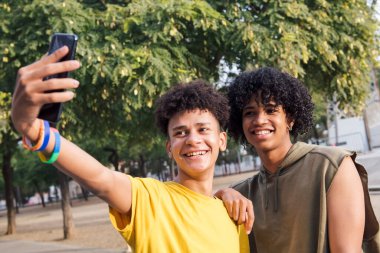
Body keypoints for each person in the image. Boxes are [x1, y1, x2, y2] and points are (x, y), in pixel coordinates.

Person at [11, 46, 250, 253]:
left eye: (203, 129)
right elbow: (100, 178)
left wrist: (225, 193)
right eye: (180, 132)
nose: (192, 140)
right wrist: (33, 130)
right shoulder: (149, 199)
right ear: (169, 147)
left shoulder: (234, 214)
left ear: (222, 140)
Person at [216, 67, 380, 253]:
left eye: (271, 110)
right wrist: (221, 195)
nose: (260, 120)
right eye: (249, 113)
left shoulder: (332, 165)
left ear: (290, 119)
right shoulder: (241, 193)